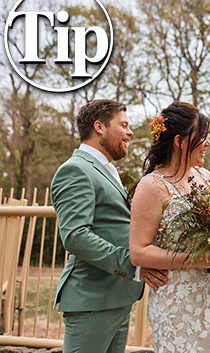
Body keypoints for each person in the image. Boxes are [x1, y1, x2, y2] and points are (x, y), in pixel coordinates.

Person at [51, 99, 169, 353]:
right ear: (99, 127)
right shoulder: (75, 170)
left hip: (117, 297)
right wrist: (134, 265)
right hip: (92, 301)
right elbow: (76, 236)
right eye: (124, 125)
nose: (130, 132)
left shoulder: (107, 169)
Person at [129, 101, 210, 353]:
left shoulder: (206, 177)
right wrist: (197, 259)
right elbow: (139, 252)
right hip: (179, 303)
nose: (208, 143)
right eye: (203, 137)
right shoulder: (152, 186)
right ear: (180, 141)